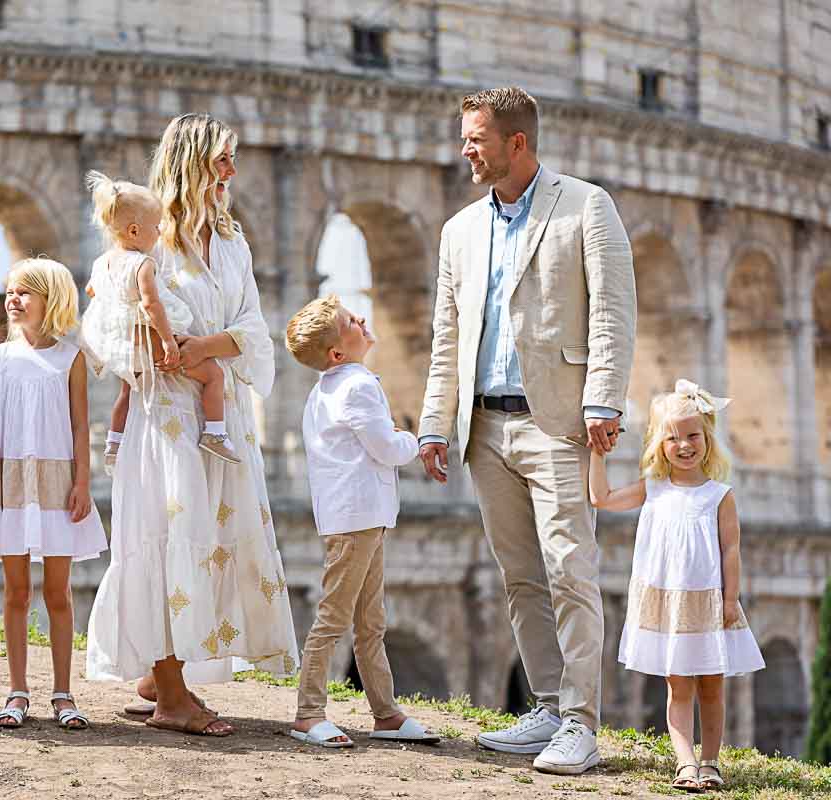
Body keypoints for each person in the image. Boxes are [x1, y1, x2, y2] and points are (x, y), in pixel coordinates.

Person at [417, 87, 636, 774]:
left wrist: (603, 401)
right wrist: (434, 422)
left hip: (559, 421)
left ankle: (580, 721)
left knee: (572, 569)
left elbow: (613, 309)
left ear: (517, 142)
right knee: (520, 576)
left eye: (475, 138)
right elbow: (445, 334)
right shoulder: (459, 230)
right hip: (485, 423)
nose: (465, 150)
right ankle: (546, 706)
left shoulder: (585, 205)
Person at [86, 113, 300, 737]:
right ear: (192, 163)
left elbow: (257, 329)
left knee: (208, 543)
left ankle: (161, 675)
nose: (233, 171)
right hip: (164, 418)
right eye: (222, 159)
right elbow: (103, 327)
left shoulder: (233, 243)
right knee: (167, 536)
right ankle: (173, 699)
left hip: (219, 412)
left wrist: (202, 349)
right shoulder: (148, 244)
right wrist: (151, 350)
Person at [590, 379, 763, 791]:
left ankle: (711, 760)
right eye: (673, 438)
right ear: (659, 444)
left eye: (692, 436)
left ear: (708, 439)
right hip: (667, 605)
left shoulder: (719, 495)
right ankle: (685, 762)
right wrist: (596, 453)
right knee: (678, 686)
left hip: (708, 603)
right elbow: (601, 498)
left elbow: (731, 550)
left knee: (712, 688)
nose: (684, 445)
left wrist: (731, 598)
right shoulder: (653, 490)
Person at [284, 296, 440, 748]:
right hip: (357, 518)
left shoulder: (327, 390)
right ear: (337, 352)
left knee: (370, 620)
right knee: (335, 618)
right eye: (352, 320)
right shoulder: (357, 387)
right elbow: (386, 448)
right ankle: (308, 713)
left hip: (357, 516)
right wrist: (418, 441)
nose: (363, 318)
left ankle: (386, 713)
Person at [0, 258, 108, 730]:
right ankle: (16, 691)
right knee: (15, 592)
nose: (14, 299)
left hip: (56, 485)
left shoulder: (70, 358)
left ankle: (63, 693)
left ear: (51, 300)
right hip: (10, 485)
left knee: (58, 592)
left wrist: (83, 482)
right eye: (10, 291)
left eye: (25, 292)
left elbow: (78, 425)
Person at [79, 171, 239, 466]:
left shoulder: (102, 263)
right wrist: (168, 342)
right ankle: (215, 433)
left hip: (121, 344)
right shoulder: (143, 265)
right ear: (135, 232)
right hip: (150, 341)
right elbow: (153, 307)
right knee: (213, 374)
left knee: (127, 390)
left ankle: (114, 443)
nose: (161, 230)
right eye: (156, 225)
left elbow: (92, 290)